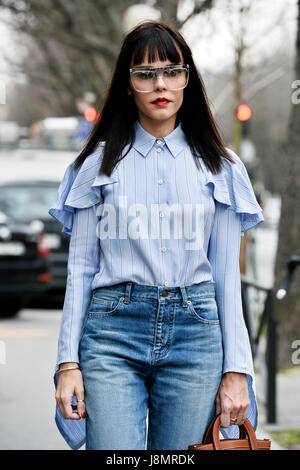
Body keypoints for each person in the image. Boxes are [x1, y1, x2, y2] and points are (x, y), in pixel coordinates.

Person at [48, 20, 264, 451]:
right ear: (127, 84)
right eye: (145, 73)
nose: (160, 84)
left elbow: (226, 275)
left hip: (196, 332)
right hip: (112, 332)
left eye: (172, 70)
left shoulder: (221, 167)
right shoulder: (97, 164)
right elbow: (81, 267)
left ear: (188, 79)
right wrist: (67, 362)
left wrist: (237, 369)